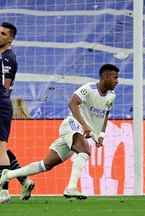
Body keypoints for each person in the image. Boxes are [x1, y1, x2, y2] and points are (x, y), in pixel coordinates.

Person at [0, 63, 119, 199]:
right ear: (106, 77)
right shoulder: (89, 89)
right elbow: (72, 103)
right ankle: (71, 188)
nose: (117, 81)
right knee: (85, 151)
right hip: (72, 125)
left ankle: (8, 175)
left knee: (46, 164)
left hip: (82, 131)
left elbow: (105, 115)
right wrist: (84, 125)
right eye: (115, 77)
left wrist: (101, 135)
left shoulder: (111, 96)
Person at [0, 22, 35, 203]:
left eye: (3, 34)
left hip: (1, 104)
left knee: (1, 148)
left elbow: (4, 87)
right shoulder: (4, 56)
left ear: (11, 38)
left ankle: (4, 192)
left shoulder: (7, 58)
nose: (0, 36)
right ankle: (24, 179)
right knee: (2, 148)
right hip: (3, 104)